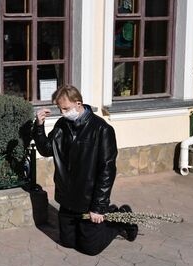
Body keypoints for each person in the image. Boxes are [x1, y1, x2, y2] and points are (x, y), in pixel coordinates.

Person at [32, 84, 137, 256]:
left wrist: (99, 207)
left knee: (90, 248)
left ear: (78, 103)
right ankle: (105, 215)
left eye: (66, 108)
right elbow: (46, 149)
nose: (63, 112)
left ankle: (121, 217)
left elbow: (107, 171)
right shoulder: (62, 124)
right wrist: (39, 126)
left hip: (89, 200)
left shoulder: (101, 129)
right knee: (67, 243)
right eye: (60, 109)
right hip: (67, 198)